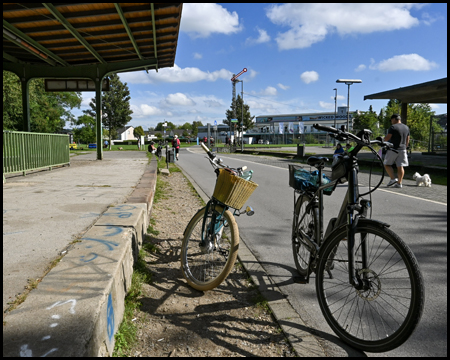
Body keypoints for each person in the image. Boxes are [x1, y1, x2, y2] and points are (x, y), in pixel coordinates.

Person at [384, 114, 410, 188]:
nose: (391, 122)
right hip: (403, 149)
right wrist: (405, 147)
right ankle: (399, 183)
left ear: (394, 119)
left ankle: (392, 179)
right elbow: (407, 139)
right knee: (400, 166)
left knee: (387, 164)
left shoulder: (393, 127)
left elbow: (387, 138)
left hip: (393, 149)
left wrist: (382, 140)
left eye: (391, 120)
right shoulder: (406, 127)